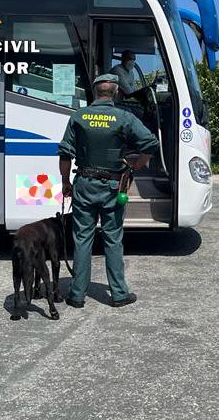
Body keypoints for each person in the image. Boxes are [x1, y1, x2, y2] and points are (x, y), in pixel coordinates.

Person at [58, 74, 160, 308]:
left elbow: (65, 154)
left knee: (82, 238)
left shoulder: (78, 117)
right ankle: (119, 294)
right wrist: (139, 162)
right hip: (114, 186)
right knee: (113, 239)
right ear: (115, 93)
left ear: (94, 93)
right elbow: (151, 143)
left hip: (84, 183)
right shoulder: (125, 117)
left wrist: (65, 182)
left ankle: (76, 295)